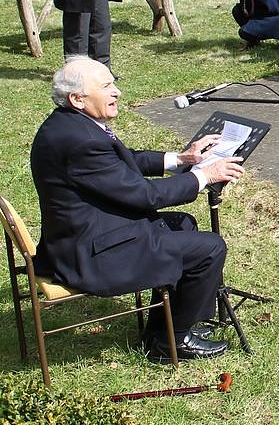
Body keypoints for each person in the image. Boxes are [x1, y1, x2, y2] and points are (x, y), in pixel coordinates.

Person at [30, 57, 245, 360]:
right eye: (106, 86)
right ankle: (174, 342)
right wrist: (204, 176)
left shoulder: (71, 125)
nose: (116, 92)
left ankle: (164, 329)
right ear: (77, 99)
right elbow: (144, 196)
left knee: (182, 223)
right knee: (209, 248)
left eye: (114, 83)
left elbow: (121, 160)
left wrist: (180, 159)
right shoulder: (81, 141)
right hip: (89, 255)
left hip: (80, 235)